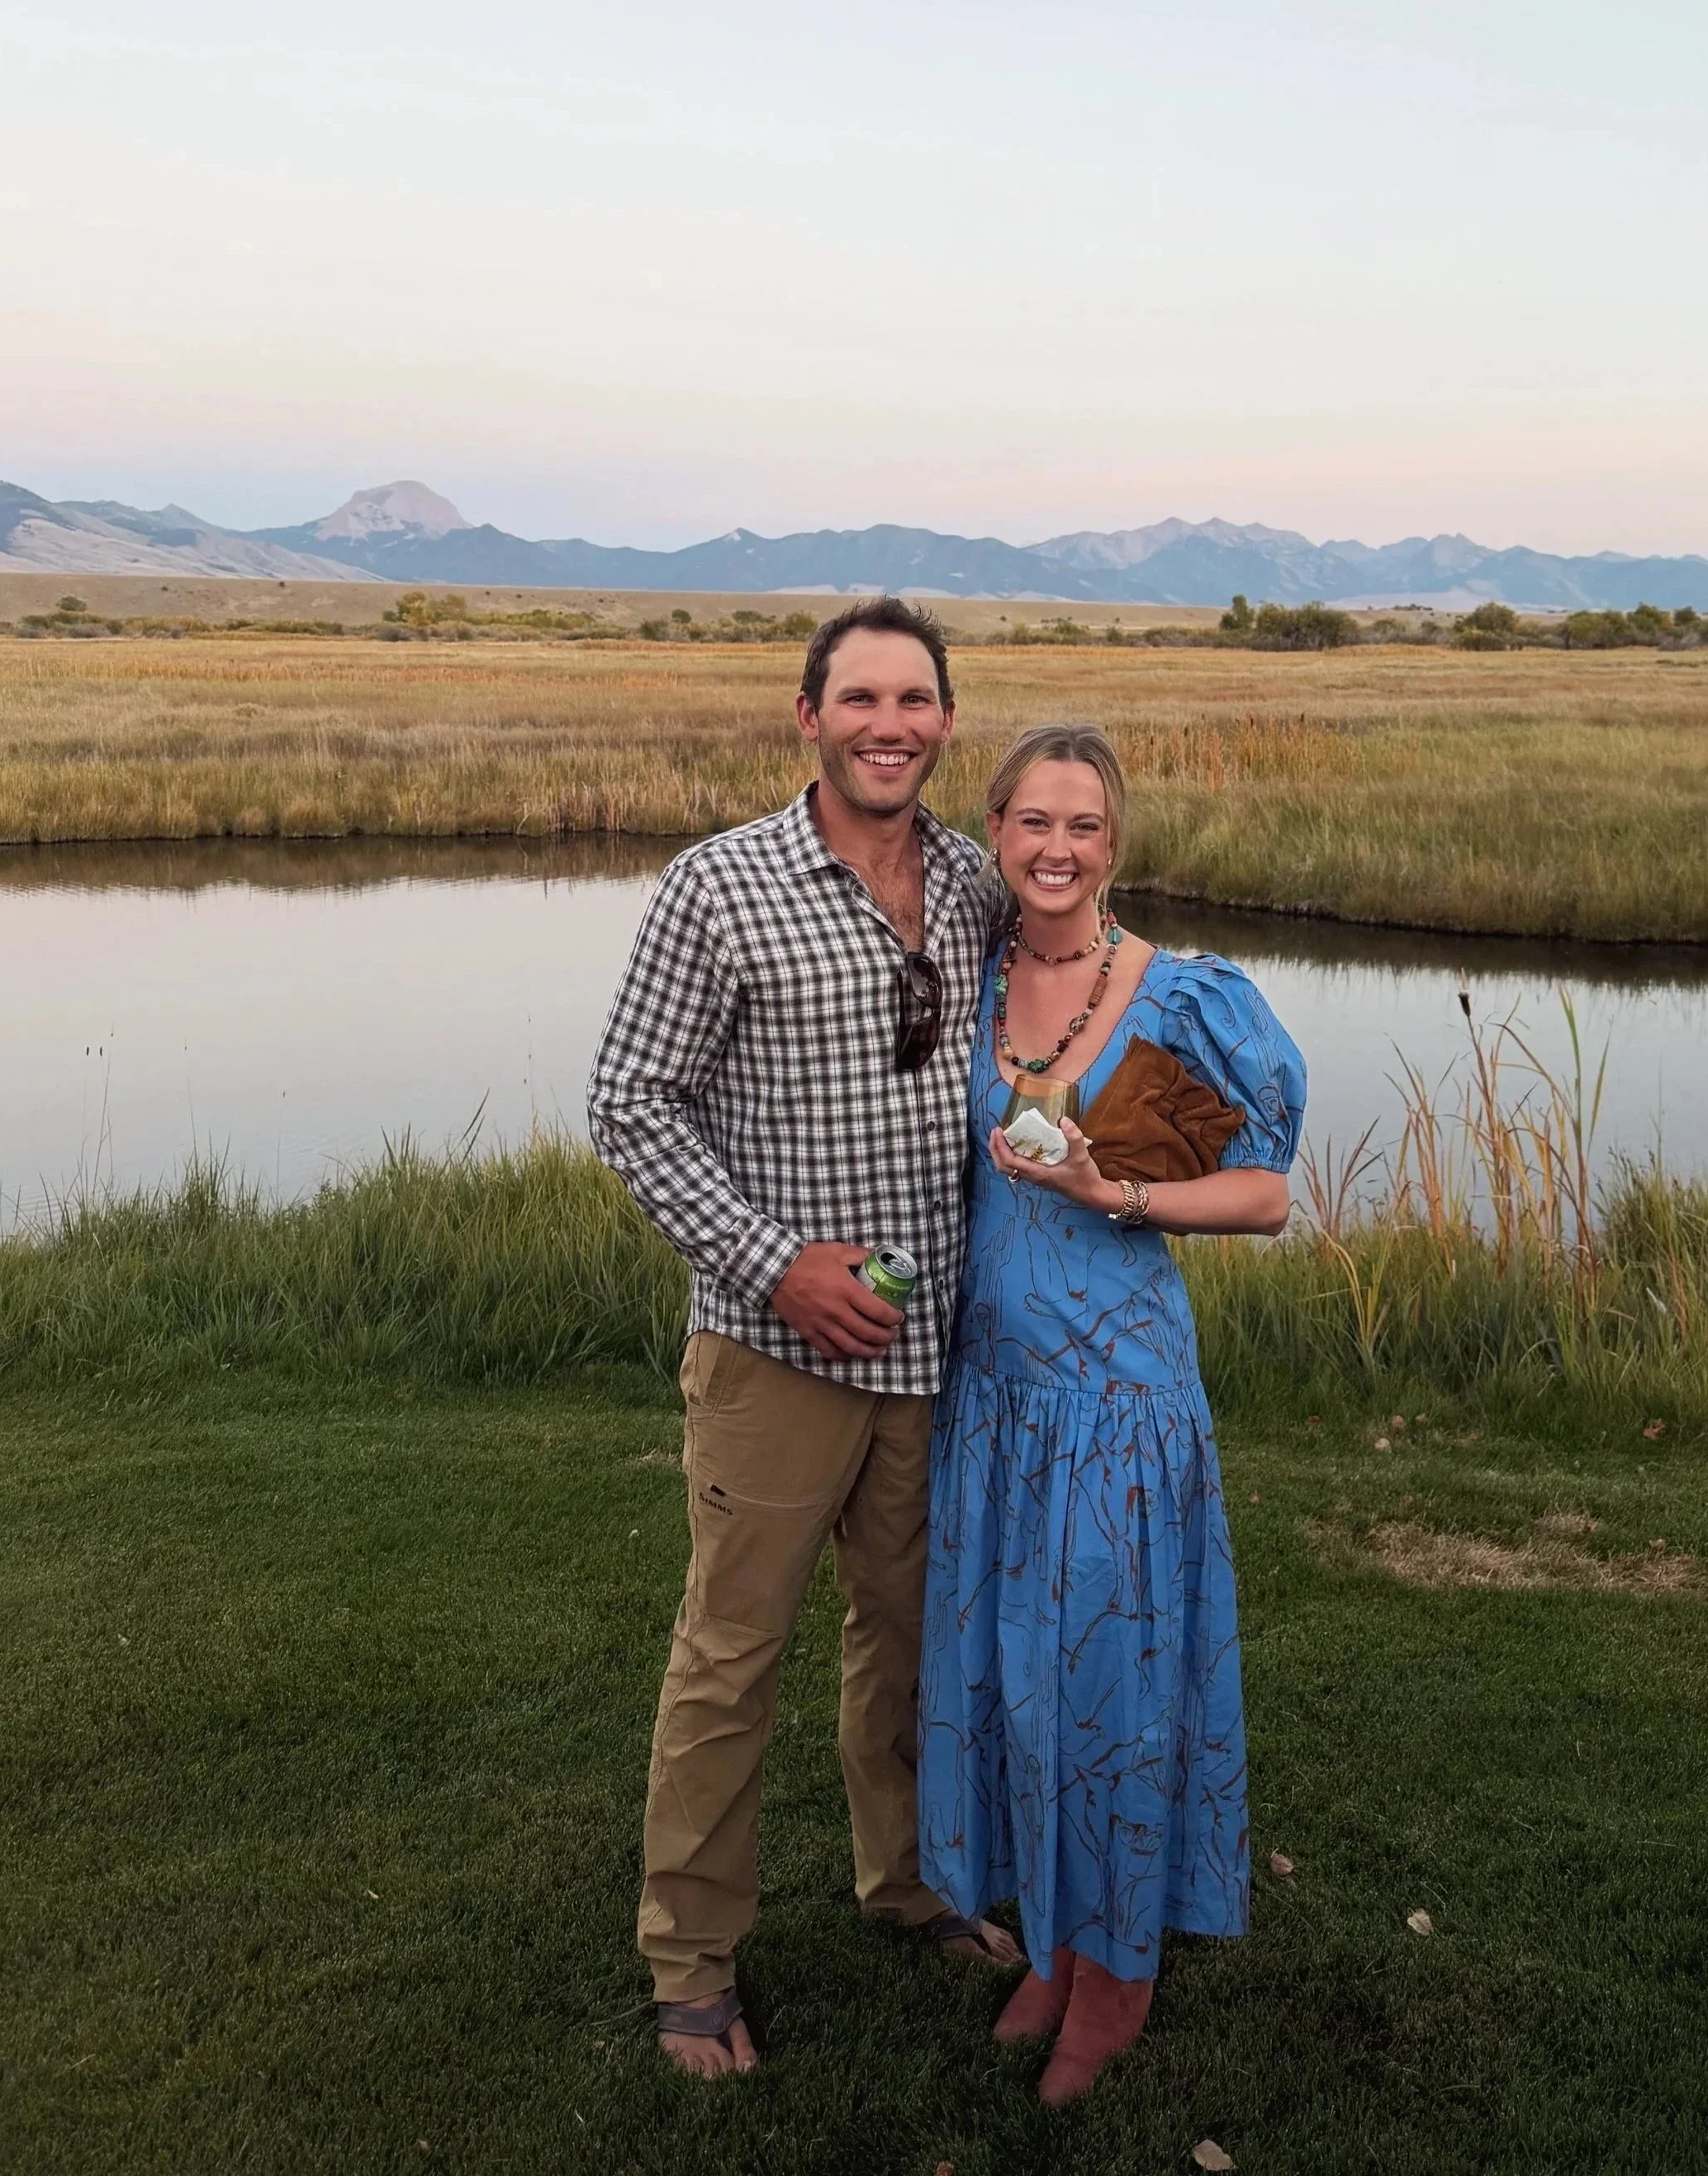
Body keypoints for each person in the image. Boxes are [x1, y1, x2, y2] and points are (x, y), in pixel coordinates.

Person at [587, 596, 1021, 2080]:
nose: (888, 724)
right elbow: (631, 1103)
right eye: (860, 700)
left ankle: (907, 1883)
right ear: (809, 715)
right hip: (777, 1355)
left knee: (910, 1645)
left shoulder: (974, 883)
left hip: (932, 1351)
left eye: (915, 700)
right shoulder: (720, 887)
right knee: (731, 1655)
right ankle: (690, 1957)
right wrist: (778, 1266)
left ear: (947, 721)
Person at [918, 723, 1306, 2104]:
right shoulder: (967, 983)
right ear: (997, 833)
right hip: (997, 1397)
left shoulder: (1186, 997)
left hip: (1119, 1401)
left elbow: (1264, 1193)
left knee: (1114, 1692)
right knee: (1017, 1684)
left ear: (1115, 842)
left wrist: (1119, 1195)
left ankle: (1121, 1971)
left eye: (1082, 825)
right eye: (1031, 822)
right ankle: (1058, 1941)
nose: (1056, 848)